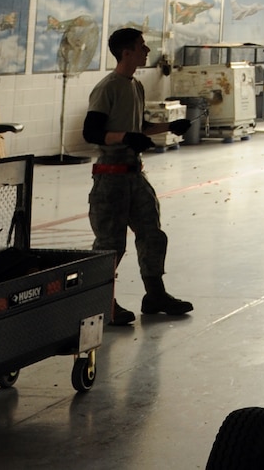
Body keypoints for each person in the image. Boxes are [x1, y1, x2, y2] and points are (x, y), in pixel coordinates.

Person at [83, 27, 191, 324]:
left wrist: (170, 128)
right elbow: (92, 132)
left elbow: (138, 128)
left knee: (152, 235)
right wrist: (125, 138)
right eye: (141, 47)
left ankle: (155, 294)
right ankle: (102, 302)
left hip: (134, 175)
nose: (146, 51)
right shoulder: (108, 87)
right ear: (126, 52)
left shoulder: (136, 87)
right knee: (110, 245)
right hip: (110, 177)